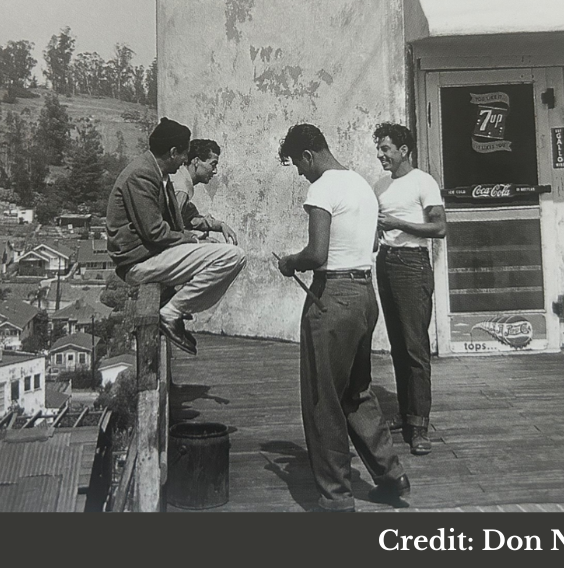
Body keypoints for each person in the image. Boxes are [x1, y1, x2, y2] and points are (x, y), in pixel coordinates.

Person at [275, 123, 409, 512]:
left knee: (323, 399)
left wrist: (289, 262)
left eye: (299, 166)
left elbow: (317, 254)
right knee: (357, 391)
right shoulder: (362, 185)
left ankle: (335, 498)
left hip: (332, 296)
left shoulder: (323, 187)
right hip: (365, 295)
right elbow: (369, 244)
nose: (302, 175)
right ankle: (390, 472)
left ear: (308, 156)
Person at [106, 117, 247, 355]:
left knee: (226, 256)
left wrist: (210, 228)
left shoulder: (156, 173)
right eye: (183, 155)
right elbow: (155, 232)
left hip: (150, 256)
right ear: (173, 152)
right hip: (138, 263)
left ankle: (174, 306)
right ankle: (172, 312)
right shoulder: (142, 176)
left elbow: (181, 218)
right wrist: (195, 240)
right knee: (232, 257)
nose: (184, 162)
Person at [372, 122, 447, 455]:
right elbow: (377, 229)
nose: (380, 155)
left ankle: (420, 427)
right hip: (386, 263)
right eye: (379, 148)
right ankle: (405, 414)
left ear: (404, 150)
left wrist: (399, 224)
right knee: (398, 345)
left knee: (415, 346)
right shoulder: (380, 185)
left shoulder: (423, 182)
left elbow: (439, 227)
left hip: (413, 265)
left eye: (386, 148)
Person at [170, 138, 238, 244]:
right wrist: (198, 240)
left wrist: (219, 225)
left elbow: (190, 220)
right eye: (213, 164)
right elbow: (170, 231)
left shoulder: (181, 180)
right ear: (196, 161)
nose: (215, 171)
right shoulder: (181, 188)